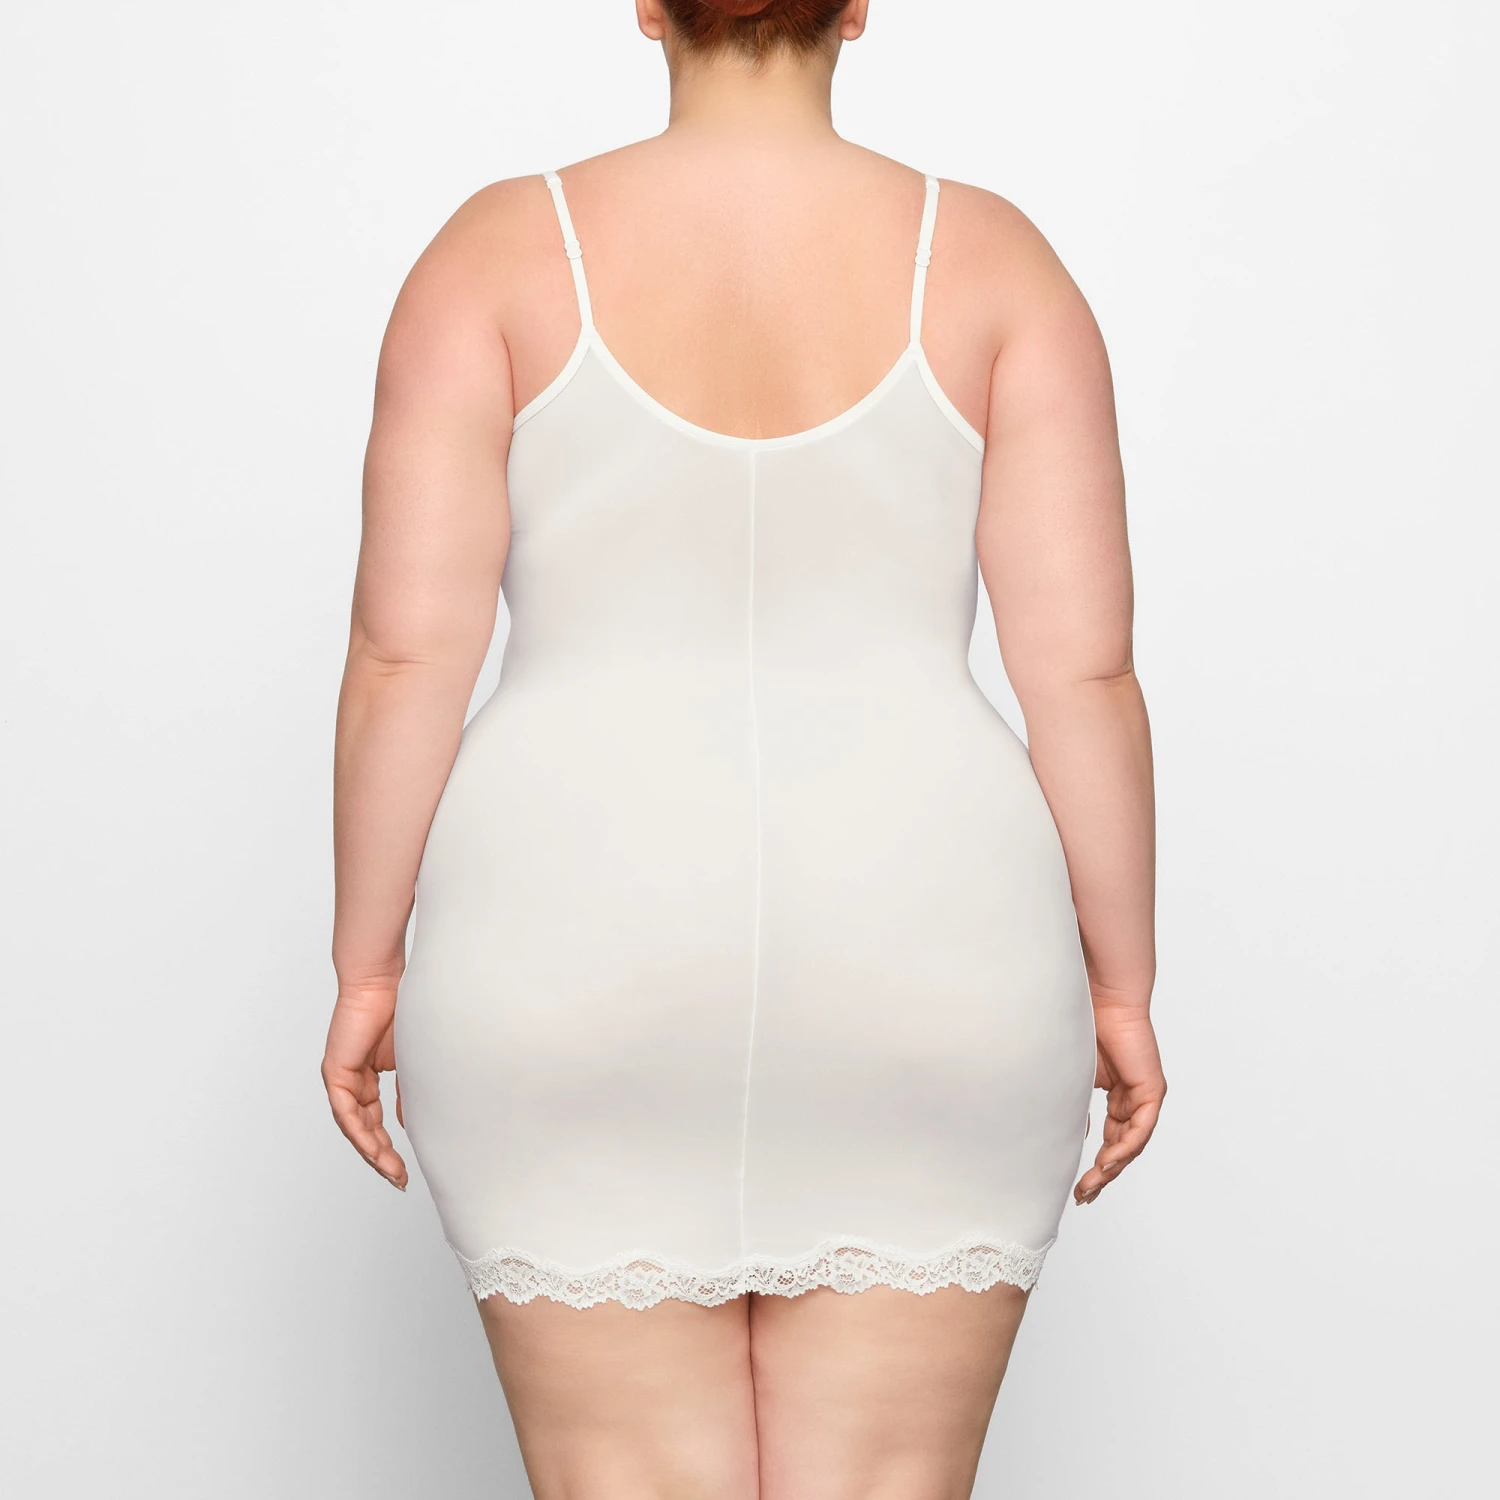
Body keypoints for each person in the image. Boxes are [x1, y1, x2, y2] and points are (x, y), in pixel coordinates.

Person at [322, 1, 1165, 1493]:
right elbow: (1083, 675)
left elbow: (405, 660)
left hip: (573, 950)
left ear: (648, 7)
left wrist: (368, 969)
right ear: (860, 6)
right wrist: (1121, 986)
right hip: (929, 949)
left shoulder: (494, 258)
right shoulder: (996, 265)